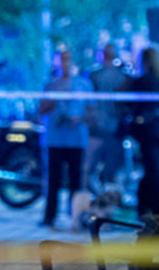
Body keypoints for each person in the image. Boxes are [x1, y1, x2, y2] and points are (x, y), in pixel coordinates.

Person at [38, 49, 91, 228]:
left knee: (76, 180)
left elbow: (93, 111)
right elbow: (41, 110)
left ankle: (76, 217)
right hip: (55, 139)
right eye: (62, 60)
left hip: (77, 139)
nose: (65, 64)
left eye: (68, 60)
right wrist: (54, 97)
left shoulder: (84, 85)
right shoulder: (51, 85)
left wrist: (80, 118)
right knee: (54, 179)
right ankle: (49, 216)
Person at [129, 46, 159, 215]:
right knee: (152, 171)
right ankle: (145, 210)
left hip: (149, 132)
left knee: (153, 172)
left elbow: (134, 107)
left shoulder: (143, 82)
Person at [86, 43, 129, 188]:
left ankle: (102, 192)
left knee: (100, 162)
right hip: (105, 127)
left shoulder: (97, 76)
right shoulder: (120, 77)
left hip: (108, 127)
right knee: (104, 163)